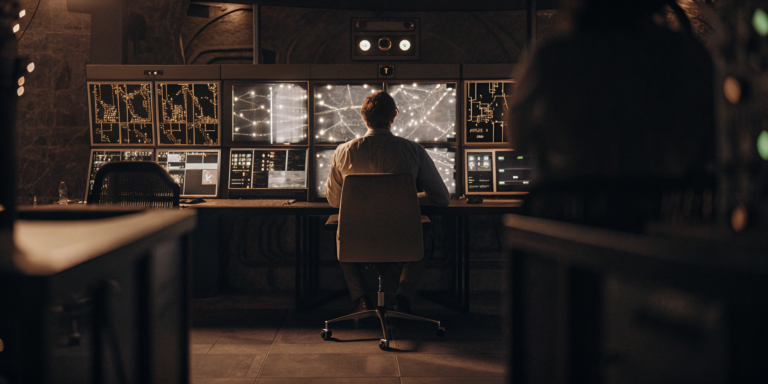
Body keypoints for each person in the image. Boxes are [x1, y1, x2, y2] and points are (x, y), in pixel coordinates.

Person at [508, 0, 715, 230]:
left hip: (568, 227)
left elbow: (519, 138)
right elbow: (709, 141)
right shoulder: (687, 54)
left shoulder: (552, 57)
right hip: (663, 228)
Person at [325, 90, 450, 314]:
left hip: (358, 240)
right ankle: (402, 297)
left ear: (364, 117)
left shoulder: (343, 152)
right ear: (393, 116)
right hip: (403, 238)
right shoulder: (414, 151)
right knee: (426, 232)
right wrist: (410, 199)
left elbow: (334, 201)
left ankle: (361, 299)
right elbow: (441, 198)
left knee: (339, 231)